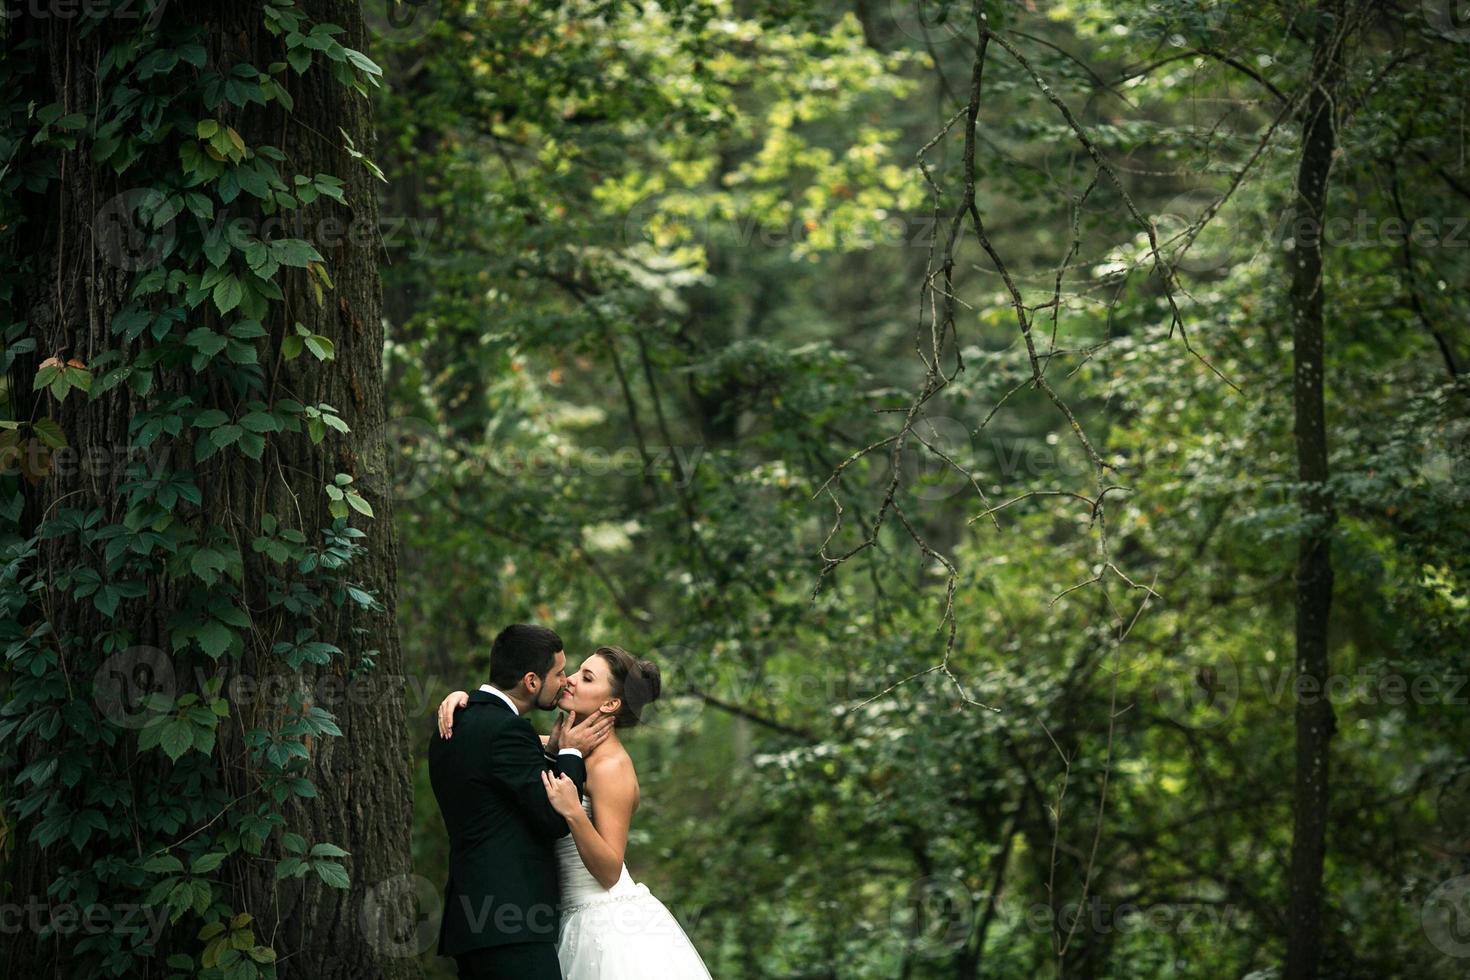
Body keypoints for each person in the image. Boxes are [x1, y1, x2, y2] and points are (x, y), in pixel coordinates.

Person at [437, 645, 713, 979]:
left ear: (610, 703)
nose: (568, 681)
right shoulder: (563, 745)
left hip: (604, 924)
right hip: (557, 917)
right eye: (574, 671)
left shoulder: (612, 767)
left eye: (586, 677)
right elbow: (495, 733)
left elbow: (610, 870)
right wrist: (462, 699)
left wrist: (574, 814)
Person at [428, 624, 614, 979]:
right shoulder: (509, 731)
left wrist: (551, 752)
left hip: (473, 923)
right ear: (531, 681)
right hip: (511, 924)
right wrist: (571, 752)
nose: (566, 681)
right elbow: (555, 817)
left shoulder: (451, 724)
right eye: (559, 673)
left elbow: (502, 789)